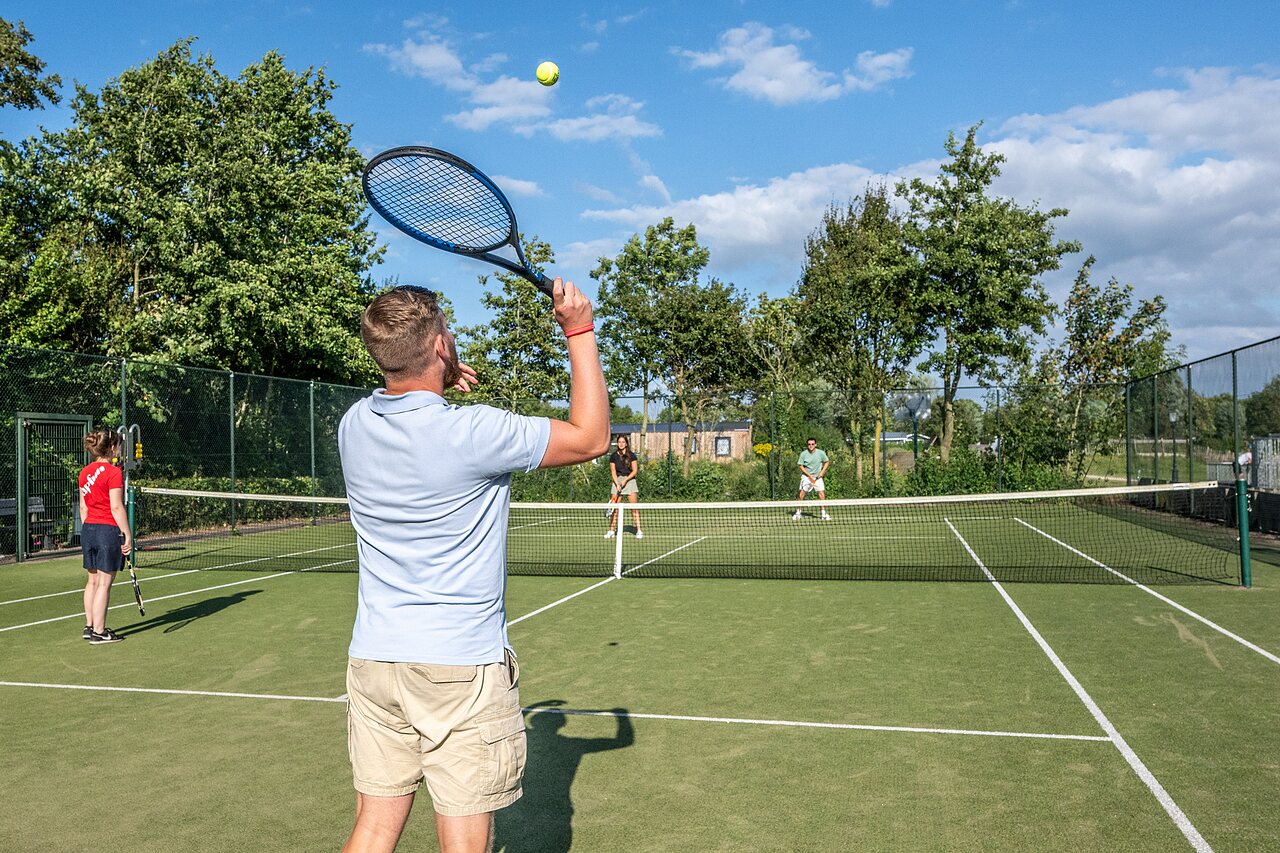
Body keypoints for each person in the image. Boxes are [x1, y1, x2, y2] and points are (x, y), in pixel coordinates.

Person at [338, 280, 609, 853]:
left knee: (374, 826)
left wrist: (437, 374)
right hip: (458, 667)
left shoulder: (354, 424)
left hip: (375, 661)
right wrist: (579, 330)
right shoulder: (476, 431)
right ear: (440, 345)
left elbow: (399, 382)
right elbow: (590, 438)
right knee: (463, 837)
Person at [77, 428, 133, 644]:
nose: (119, 449)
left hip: (89, 530)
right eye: (117, 445)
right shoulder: (113, 472)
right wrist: (127, 535)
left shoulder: (84, 472)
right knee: (103, 584)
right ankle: (99, 632)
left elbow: (83, 508)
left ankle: (90, 626)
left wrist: (89, 530)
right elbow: (117, 507)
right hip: (106, 530)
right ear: (111, 448)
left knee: (92, 581)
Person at [604, 434, 642, 539]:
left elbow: (635, 471)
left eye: (623, 442)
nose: (621, 444)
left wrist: (625, 480)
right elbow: (613, 471)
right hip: (617, 481)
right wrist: (617, 483)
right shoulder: (613, 456)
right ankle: (611, 531)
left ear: (626, 443)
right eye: (619, 442)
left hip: (630, 481)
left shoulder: (632, 455)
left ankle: (639, 530)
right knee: (615, 509)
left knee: (634, 508)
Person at [793, 437, 831, 521]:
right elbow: (800, 465)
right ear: (807, 445)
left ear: (815, 445)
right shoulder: (803, 454)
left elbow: (826, 462)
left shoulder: (821, 453)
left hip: (818, 477)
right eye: (809, 444)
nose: (811, 446)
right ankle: (798, 513)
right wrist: (808, 475)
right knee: (801, 494)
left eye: (812, 444)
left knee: (821, 494)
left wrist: (822, 472)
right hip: (806, 477)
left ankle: (823, 513)